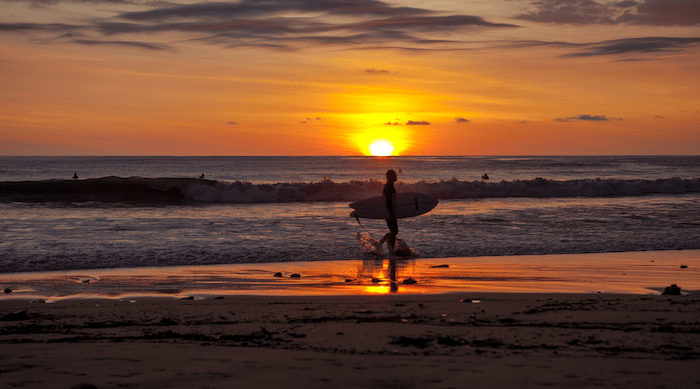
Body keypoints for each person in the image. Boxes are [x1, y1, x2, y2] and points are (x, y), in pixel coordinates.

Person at [380, 169, 398, 255]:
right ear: (391, 177)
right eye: (395, 175)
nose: (396, 176)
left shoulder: (390, 185)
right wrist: (391, 213)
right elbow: (388, 200)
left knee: (394, 231)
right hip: (389, 212)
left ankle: (389, 247)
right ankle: (388, 249)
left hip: (390, 211)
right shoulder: (389, 186)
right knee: (394, 231)